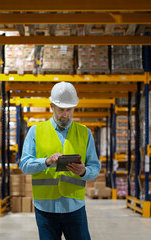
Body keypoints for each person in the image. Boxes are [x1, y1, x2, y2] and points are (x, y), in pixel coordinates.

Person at [19, 81, 101, 240]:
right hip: (45, 208)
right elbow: (24, 165)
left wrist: (84, 171)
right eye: (61, 110)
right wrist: (46, 161)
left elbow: (95, 168)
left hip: (74, 207)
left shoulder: (85, 133)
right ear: (52, 106)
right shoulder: (36, 131)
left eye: (69, 110)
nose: (65, 114)